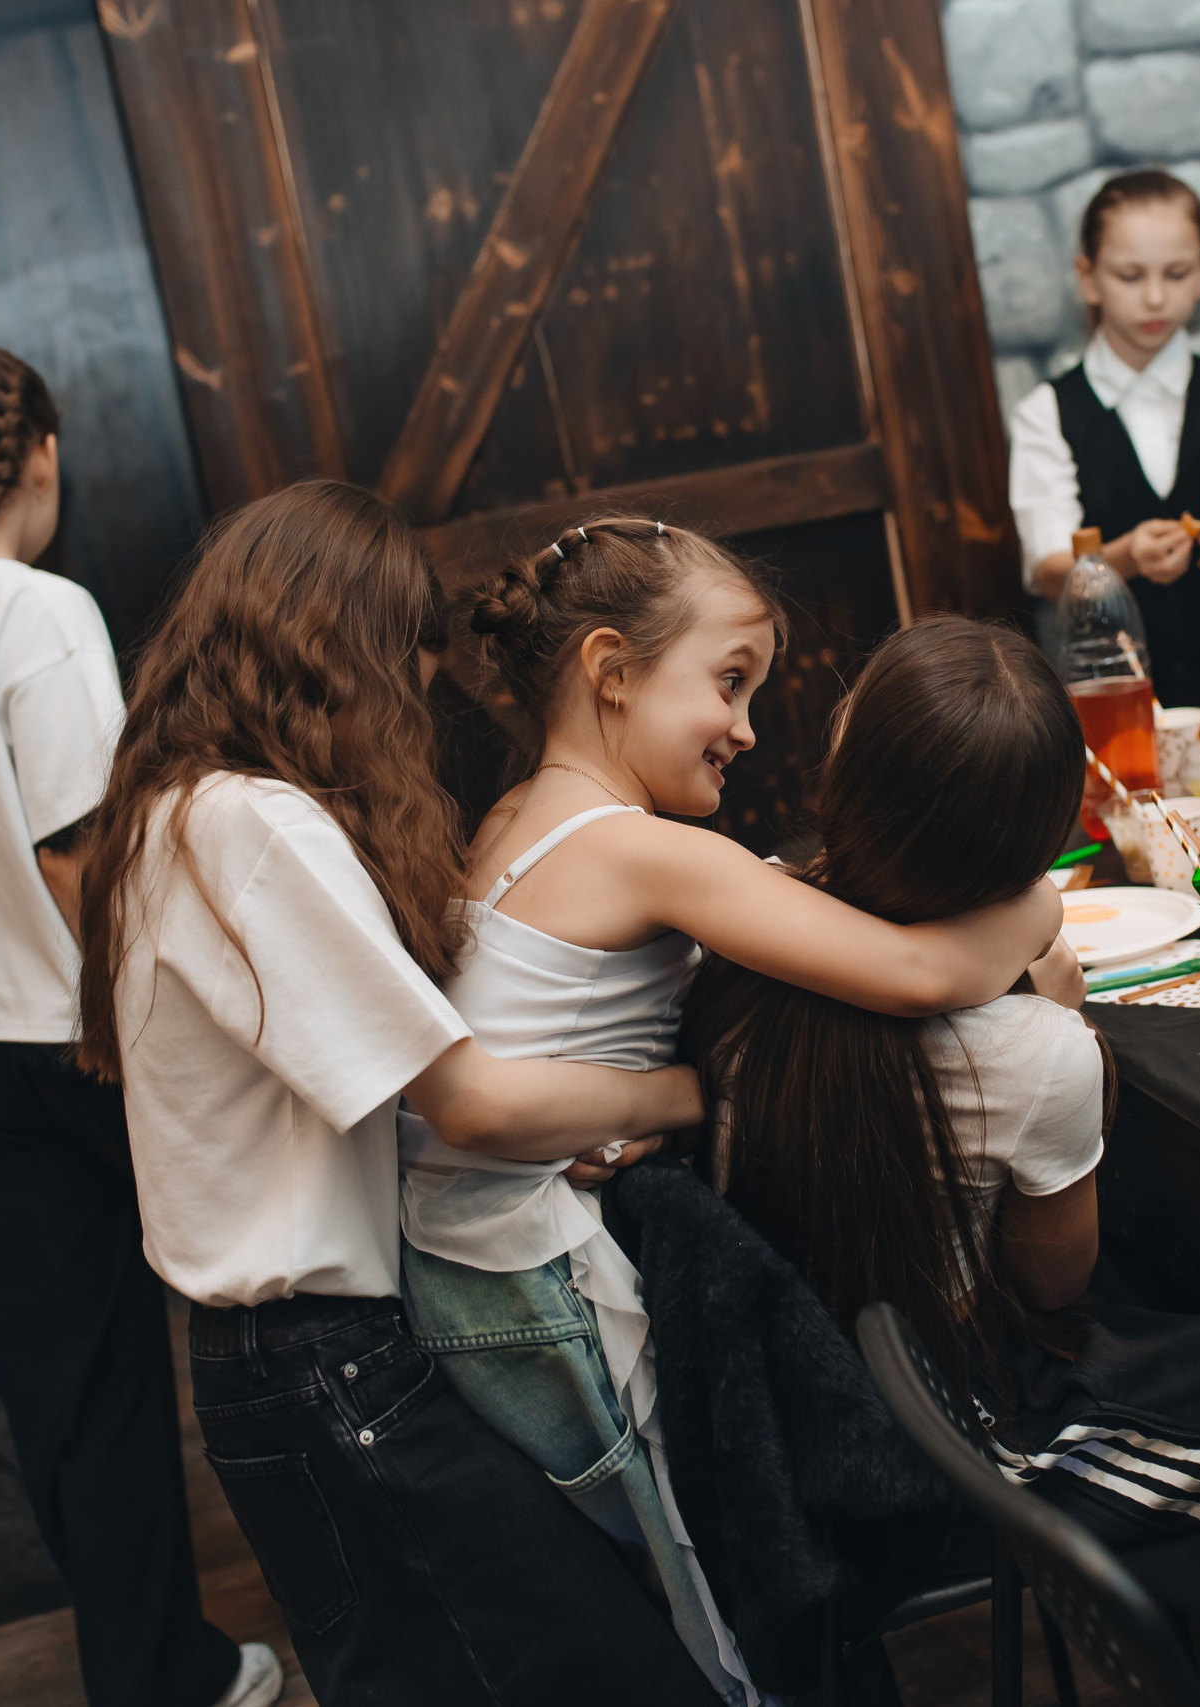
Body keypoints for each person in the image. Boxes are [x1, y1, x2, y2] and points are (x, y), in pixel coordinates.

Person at [685, 615, 1200, 1688]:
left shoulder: (748, 930)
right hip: (965, 1421)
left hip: (812, 1384)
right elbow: (1053, 1278)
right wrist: (1064, 1025)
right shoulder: (1027, 1052)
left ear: (853, 767)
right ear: (1037, 838)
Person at [71, 482, 758, 1707]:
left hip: (267, 1365)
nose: (410, 711)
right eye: (402, 671)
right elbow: (470, 1104)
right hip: (323, 1361)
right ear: (335, 651)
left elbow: (356, 1094)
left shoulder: (168, 808)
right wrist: (679, 1093)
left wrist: (573, 1120)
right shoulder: (253, 822)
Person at [394, 519, 1064, 1704]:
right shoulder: (635, 849)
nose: (749, 729)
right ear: (610, 671)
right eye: (729, 683)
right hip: (529, 1277)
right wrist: (1039, 906)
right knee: (711, 1611)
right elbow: (915, 974)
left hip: (459, 1261)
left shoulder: (510, 820)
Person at [0, 343, 275, 1707]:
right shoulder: (31, 609)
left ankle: (153, 1676)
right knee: (288, 1301)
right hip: (84, 1042)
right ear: (37, 453)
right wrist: (157, 1025)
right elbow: (81, 852)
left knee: (76, 1397)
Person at [1007, 168, 1200, 743]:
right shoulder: (1047, 413)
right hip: (1119, 715)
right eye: (1129, 275)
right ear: (1088, 279)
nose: (1154, 297)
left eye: (1176, 274)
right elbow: (1050, 573)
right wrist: (1124, 557)